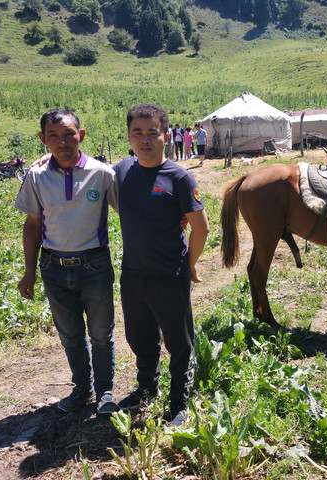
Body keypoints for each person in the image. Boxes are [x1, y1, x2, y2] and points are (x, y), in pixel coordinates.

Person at [15, 108, 119, 416]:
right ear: (43, 140)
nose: (62, 142)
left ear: (81, 135)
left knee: (101, 333)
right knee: (70, 336)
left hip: (95, 265)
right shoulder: (36, 176)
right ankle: (82, 388)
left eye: (69, 134)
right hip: (54, 268)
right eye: (53, 136)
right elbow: (33, 225)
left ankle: (105, 392)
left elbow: (130, 211)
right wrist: (29, 272)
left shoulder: (103, 173)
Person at [113, 103, 210, 426]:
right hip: (133, 273)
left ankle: (179, 402)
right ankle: (147, 389)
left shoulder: (179, 177)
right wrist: (46, 160)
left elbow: (201, 228)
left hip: (170, 273)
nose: (145, 139)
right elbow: (85, 170)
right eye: (137, 133)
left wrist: (190, 265)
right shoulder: (121, 170)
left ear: (166, 137)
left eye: (152, 133)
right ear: (129, 136)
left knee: (179, 341)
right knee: (139, 338)